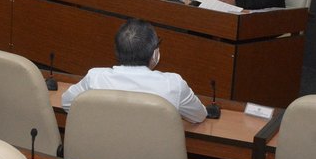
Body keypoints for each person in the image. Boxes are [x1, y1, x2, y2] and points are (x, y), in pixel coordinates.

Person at [61, 19, 207, 123]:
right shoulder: (173, 85)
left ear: (117, 51)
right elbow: (199, 116)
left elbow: (67, 103)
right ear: (155, 53)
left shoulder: (95, 78)